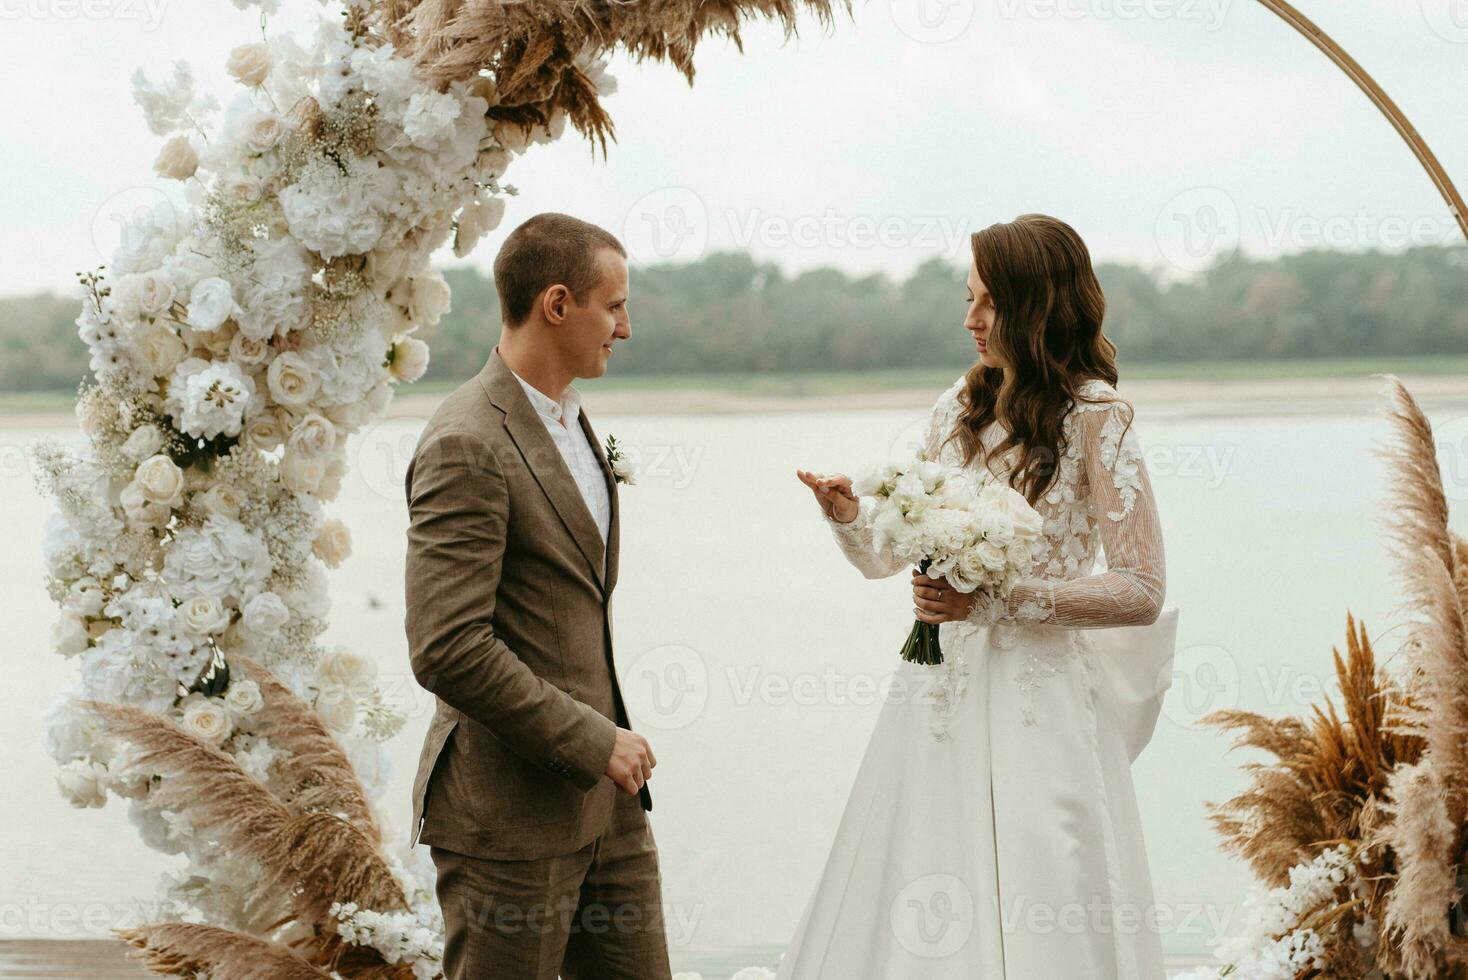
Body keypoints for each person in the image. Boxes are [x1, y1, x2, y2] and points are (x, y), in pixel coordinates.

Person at [787, 213, 1171, 978]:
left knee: (1048, 873)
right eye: (969, 299)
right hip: (939, 697)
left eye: (988, 302)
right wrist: (849, 515)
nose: (971, 319)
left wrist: (995, 604)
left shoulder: (1099, 420)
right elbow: (887, 559)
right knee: (924, 867)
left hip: (1045, 699)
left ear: (1038, 305)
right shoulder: (953, 411)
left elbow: (1141, 588)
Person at [403, 212, 672, 979]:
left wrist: (605, 756)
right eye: (613, 305)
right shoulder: (466, 441)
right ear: (557, 304)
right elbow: (447, 648)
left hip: (608, 808)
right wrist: (595, 740)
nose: (625, 326)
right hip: (508, 820)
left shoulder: (570, 421)